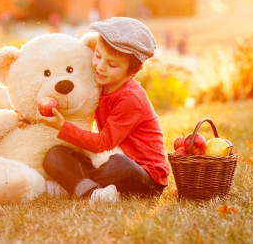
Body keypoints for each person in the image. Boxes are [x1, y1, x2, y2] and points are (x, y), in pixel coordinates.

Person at [37, 17, 170, 202]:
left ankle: (76, 187)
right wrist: (30, 117)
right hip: (106, 162)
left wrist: (62, 127)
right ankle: (90, 191)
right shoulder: (101, 83)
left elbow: (103, 143)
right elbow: (75, 103)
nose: (100, 67)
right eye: (98, 56)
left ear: (133, 71)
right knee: (55, 155)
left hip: (143, 175)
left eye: (112, 65)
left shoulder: (131, 98)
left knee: (119, 164)